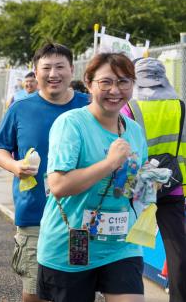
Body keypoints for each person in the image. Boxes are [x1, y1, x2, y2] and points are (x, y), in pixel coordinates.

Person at [37, 53, 147, 302]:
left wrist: (145, 182)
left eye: (123, 82)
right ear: (88, 82)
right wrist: (110, 162)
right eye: (105, 82)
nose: (115, 90)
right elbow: (59, 185)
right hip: (69, 242)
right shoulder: (71, 124)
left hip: (120, 244)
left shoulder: (135, 131)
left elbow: (127, 187)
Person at [0, 43, 89, 302]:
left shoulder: (88, 106)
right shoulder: (21, 108)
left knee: (76, 289)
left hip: (81, 217)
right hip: (36, 216)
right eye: (46, 67)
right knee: (34, 291)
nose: (53, 73)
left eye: (60, 67)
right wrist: (15, 166)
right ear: (35, 71)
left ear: (71, 69)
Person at [122, 57, 186, 302]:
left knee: (127, 246)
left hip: (137, 188)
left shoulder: (130, 106)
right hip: (173, 186)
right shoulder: (180, 105)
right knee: (177, 249)